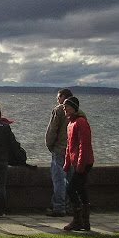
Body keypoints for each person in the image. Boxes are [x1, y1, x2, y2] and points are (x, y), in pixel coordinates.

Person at [62, 96, 94, 231]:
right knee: (81, 190)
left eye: (67, 106)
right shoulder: (70, 124)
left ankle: (78, 220)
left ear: (74, 108)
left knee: (70, 189)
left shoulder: (80, 122)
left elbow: (84, 145)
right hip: (76, 162)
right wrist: (67, 163)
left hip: (84, 162)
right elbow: (70, 146)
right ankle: (85, 222)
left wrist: (80, 164)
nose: (64, 109)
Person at [44, 88, 74, 217]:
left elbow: (52, 130)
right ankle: (70, 206)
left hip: (59, 149)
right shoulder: (77, 111)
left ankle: (59, 207)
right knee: (71, 180)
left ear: (63, 97)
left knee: (59, 179)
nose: (58, 100)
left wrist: (49, 145)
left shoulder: (59, 110)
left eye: (59, 97)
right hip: (72, 150)